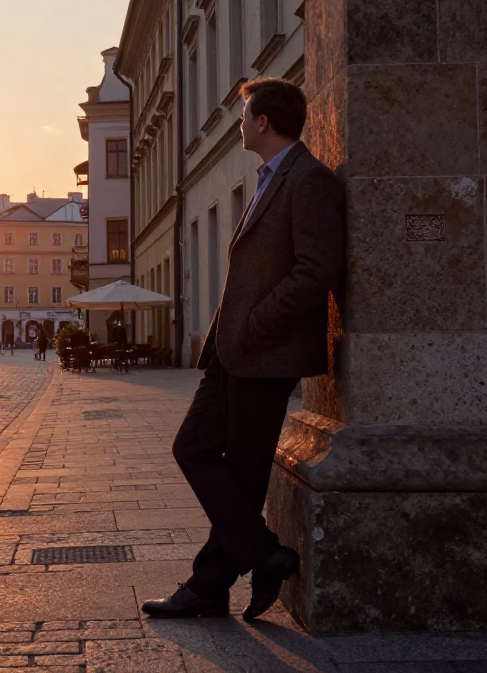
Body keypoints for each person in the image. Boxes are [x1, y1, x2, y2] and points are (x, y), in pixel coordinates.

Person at [141, 78, 345, 623]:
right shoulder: (266, 178)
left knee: (247, 472)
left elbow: (316, 269)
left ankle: (210, 586)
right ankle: (261, 555)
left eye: (244, 115)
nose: (238, 124)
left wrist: (256, 324)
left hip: (265, 351)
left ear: (263, 123)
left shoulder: (309, 180)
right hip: (231, 352)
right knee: (194, 448)